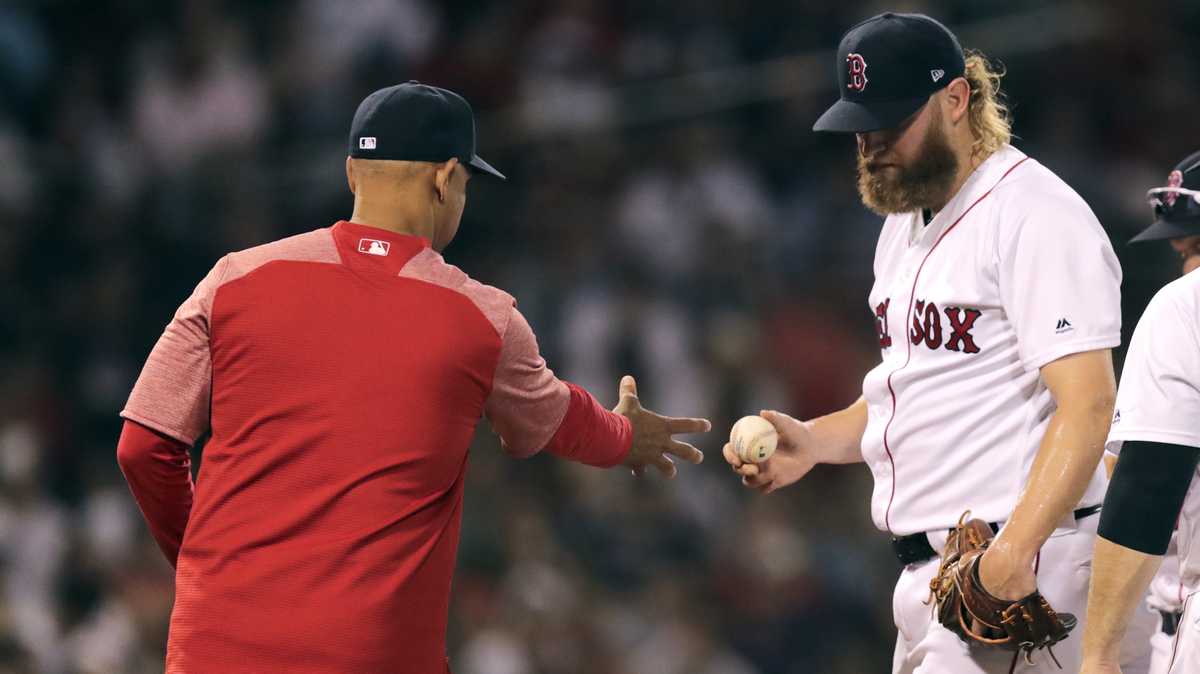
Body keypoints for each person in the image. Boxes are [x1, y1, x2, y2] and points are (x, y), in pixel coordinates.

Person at [116, 82, 709, 674]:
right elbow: (558, 419)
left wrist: (206, 563)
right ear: (446, 178)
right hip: (370, 656)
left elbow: (143, 446)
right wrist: (628, 436)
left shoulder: (231, 280)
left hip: (216, 646)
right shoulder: (482, 317)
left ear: (352, 172)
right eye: (466, 185)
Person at [723, 12, 1137, 673]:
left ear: (955, 100)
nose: (871, 144)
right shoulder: (902, 223)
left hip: (1026, 565)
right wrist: (816, 442)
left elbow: (1088, 405)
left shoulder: (1034, 215)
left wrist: (1011, 555)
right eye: (860, 127)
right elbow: (918, 388)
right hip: (939, 579)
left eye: (890, 124)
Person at [1080, 151, 1200, 674]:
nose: (1188, 267)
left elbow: (1147, 485)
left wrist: (1100, 654)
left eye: (1195, 247)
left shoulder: (1185, 305)